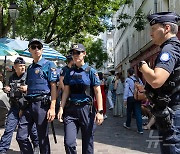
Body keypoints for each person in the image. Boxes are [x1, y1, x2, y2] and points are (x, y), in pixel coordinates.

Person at [139, 12, 180, 153]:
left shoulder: (169, 49)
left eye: (153, 29)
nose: (150, 34)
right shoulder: (173, 48)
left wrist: (143, 66)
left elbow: (156, 80)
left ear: (166, 28)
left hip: (173, 112)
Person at [58, 43, 104, 154]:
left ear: (84, 54)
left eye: (78, 52)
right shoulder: (69, 72)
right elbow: (66, 91)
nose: (75, 55)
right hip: (71, 110)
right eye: (73, 53)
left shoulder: (91, 71)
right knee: (69, 143)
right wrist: (61, 108)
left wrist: (100, 111)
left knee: (87, 144)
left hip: (86, 110)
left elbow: (98, 92)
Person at [16, 39, 57, 154]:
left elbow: (53, 87)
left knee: (43, 139)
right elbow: (30, 88)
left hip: (42, 105)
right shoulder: (30, 68)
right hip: (29, 105)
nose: (36, 49)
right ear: (30, 50)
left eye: (38, 47)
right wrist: (22, 108)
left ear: (42, 49)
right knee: (21, 136)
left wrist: (52, 107)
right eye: (33, 47)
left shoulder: (49, 65)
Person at [0, 57, 39, 154]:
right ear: (15, 67)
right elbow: (10, 90)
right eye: (20, 66)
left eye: (23, 66)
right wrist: (7, 89)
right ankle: (2, 150)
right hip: (14, 107)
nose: (22, 68)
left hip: (27, 107)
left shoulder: (28, 76)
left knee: (32, 131)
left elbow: (36, 89)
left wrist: (28, 88)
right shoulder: (11, 77)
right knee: (8, 129)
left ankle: (36, 147)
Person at [123, 68, 143, 134]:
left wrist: (125, 99)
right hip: (137, 97)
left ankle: (128, 124)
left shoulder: (128, 80)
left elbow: (126, 89)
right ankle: (140, 129)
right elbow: (142, 87)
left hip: (130, 97)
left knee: (129, 112)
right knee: (138, 113)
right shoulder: (138, 79)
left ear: (128, 73)